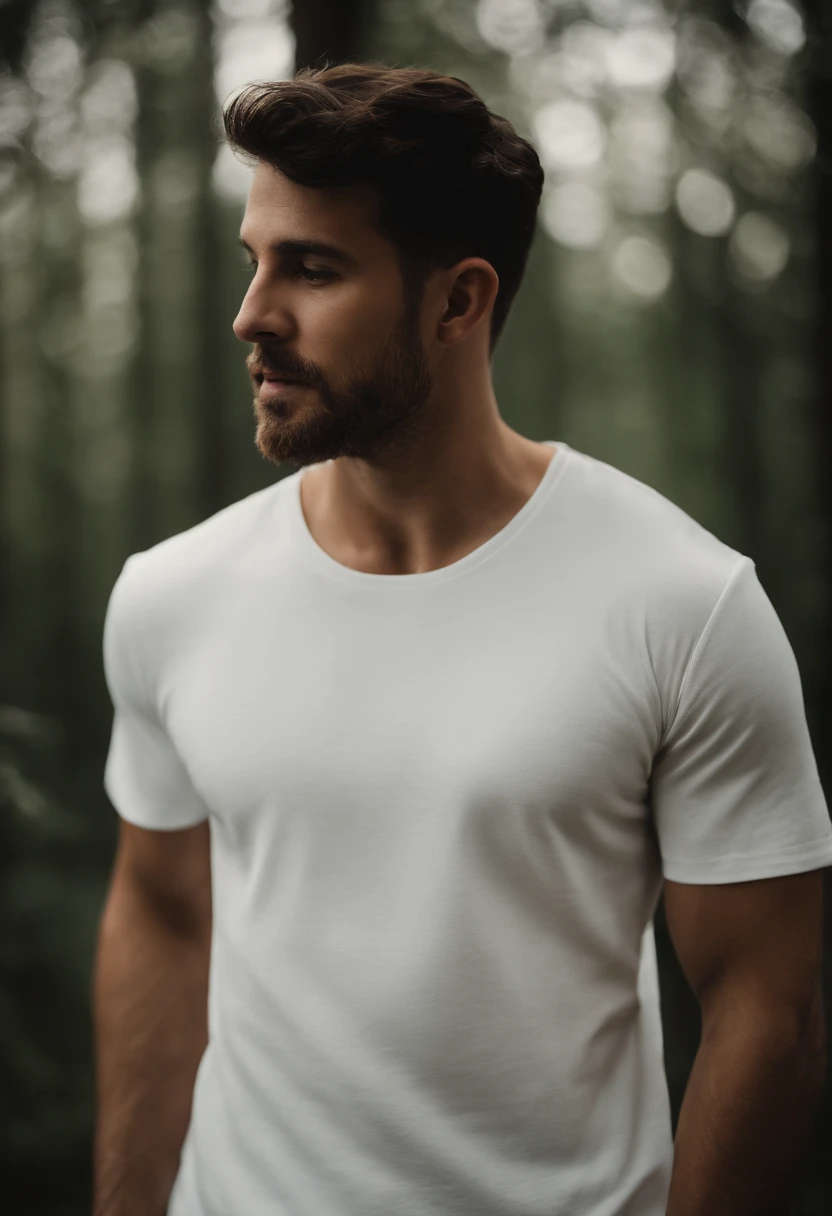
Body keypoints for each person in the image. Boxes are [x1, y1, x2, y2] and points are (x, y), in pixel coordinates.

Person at [92, 63, 832, 1216]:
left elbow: (768, 1006)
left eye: (313, 268)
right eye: (255, 261)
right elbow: (162, 911)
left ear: (457, 300)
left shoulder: (682, 603)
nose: (251, 315)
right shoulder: (171, 596)